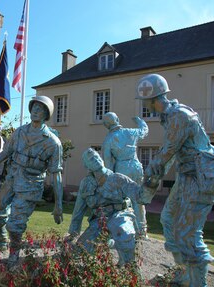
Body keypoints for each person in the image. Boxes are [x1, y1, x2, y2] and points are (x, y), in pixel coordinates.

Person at [136, 73, 214, 286]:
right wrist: (153, 178)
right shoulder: (168, 117)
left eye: (143, 100)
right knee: (168, 219)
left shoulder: (179, 116)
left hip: (200, 177)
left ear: (152, 99)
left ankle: (197, 282)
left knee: (188, 232)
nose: (143, 104)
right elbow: (169, 154)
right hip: (186, 175)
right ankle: (184, 272)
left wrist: (150, 172)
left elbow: (167, 152)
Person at [0, 95, 63, 264]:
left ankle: (13, 257)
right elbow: (5, 152)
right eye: (34, 108)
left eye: (41, 109)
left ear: (47, 114)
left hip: (31, 185)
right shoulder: (20, 132)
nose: (36, 111)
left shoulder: (53, 143)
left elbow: (56, 174)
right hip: (12, 178)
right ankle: (3, 241)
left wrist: (58, 204)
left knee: (15, 224)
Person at [68, 148, 145, 266]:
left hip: (120, 214)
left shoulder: (118, 178)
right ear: (86, 165)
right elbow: (78, 210)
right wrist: (73, 232)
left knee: (122, 232)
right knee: (81, 249)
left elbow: (140, 195)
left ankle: (130, 268)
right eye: (91, 159)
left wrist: (151, 183)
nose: (96, 159)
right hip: (100, 220)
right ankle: (110, 242)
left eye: (97, 157)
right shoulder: (86, 184)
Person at [102, 112, 149, 237]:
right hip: (136, 166)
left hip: (122, 168)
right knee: (138, 199)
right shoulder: (130, 132)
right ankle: (142, 230)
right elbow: (144, 131)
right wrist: (139, 121)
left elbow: (107, 164)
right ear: (117, 119)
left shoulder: (108, 140)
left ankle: (124, 230)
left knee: (122, 200)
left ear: (106, 125)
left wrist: (110, 180)